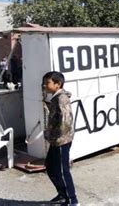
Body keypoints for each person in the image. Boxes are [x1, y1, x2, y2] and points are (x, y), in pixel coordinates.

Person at [42, 71, 79, 205]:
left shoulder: (61, 98)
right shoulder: (55, 98)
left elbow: (66, 121)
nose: (45, 86)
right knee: (51, 166)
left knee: (62, 170)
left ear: (58, 84)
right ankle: (62, 194)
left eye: (48, 83)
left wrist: (55, 136)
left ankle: (72, 200)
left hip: (61, 141)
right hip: (56, 140)